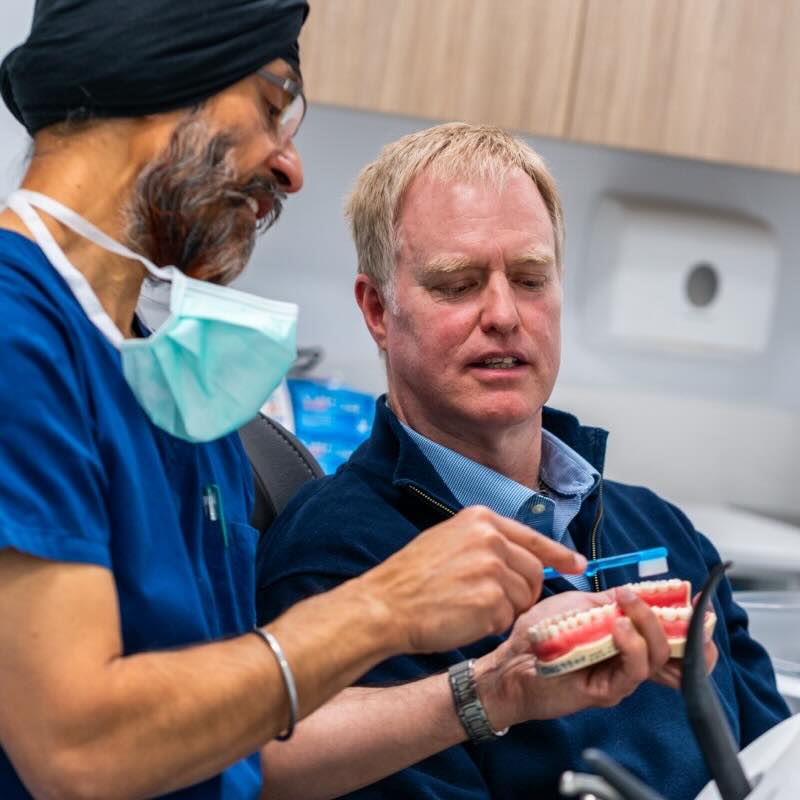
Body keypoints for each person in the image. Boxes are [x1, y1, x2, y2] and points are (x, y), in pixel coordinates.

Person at [0, 4, 663, 799]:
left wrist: (493, 690)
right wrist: (383, 608)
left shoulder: (176, 387)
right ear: (156, 69)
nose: (291, 168)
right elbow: (79, 750)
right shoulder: (16, 339)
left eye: (530, 278)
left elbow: (235, 750)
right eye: (273, 106)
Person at [257, 122, 791, 800]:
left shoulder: (661, 529)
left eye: (531, 278)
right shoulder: (338, 563)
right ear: (378, 311)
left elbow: (776, 763)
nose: (504, 314)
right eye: (458, 283)